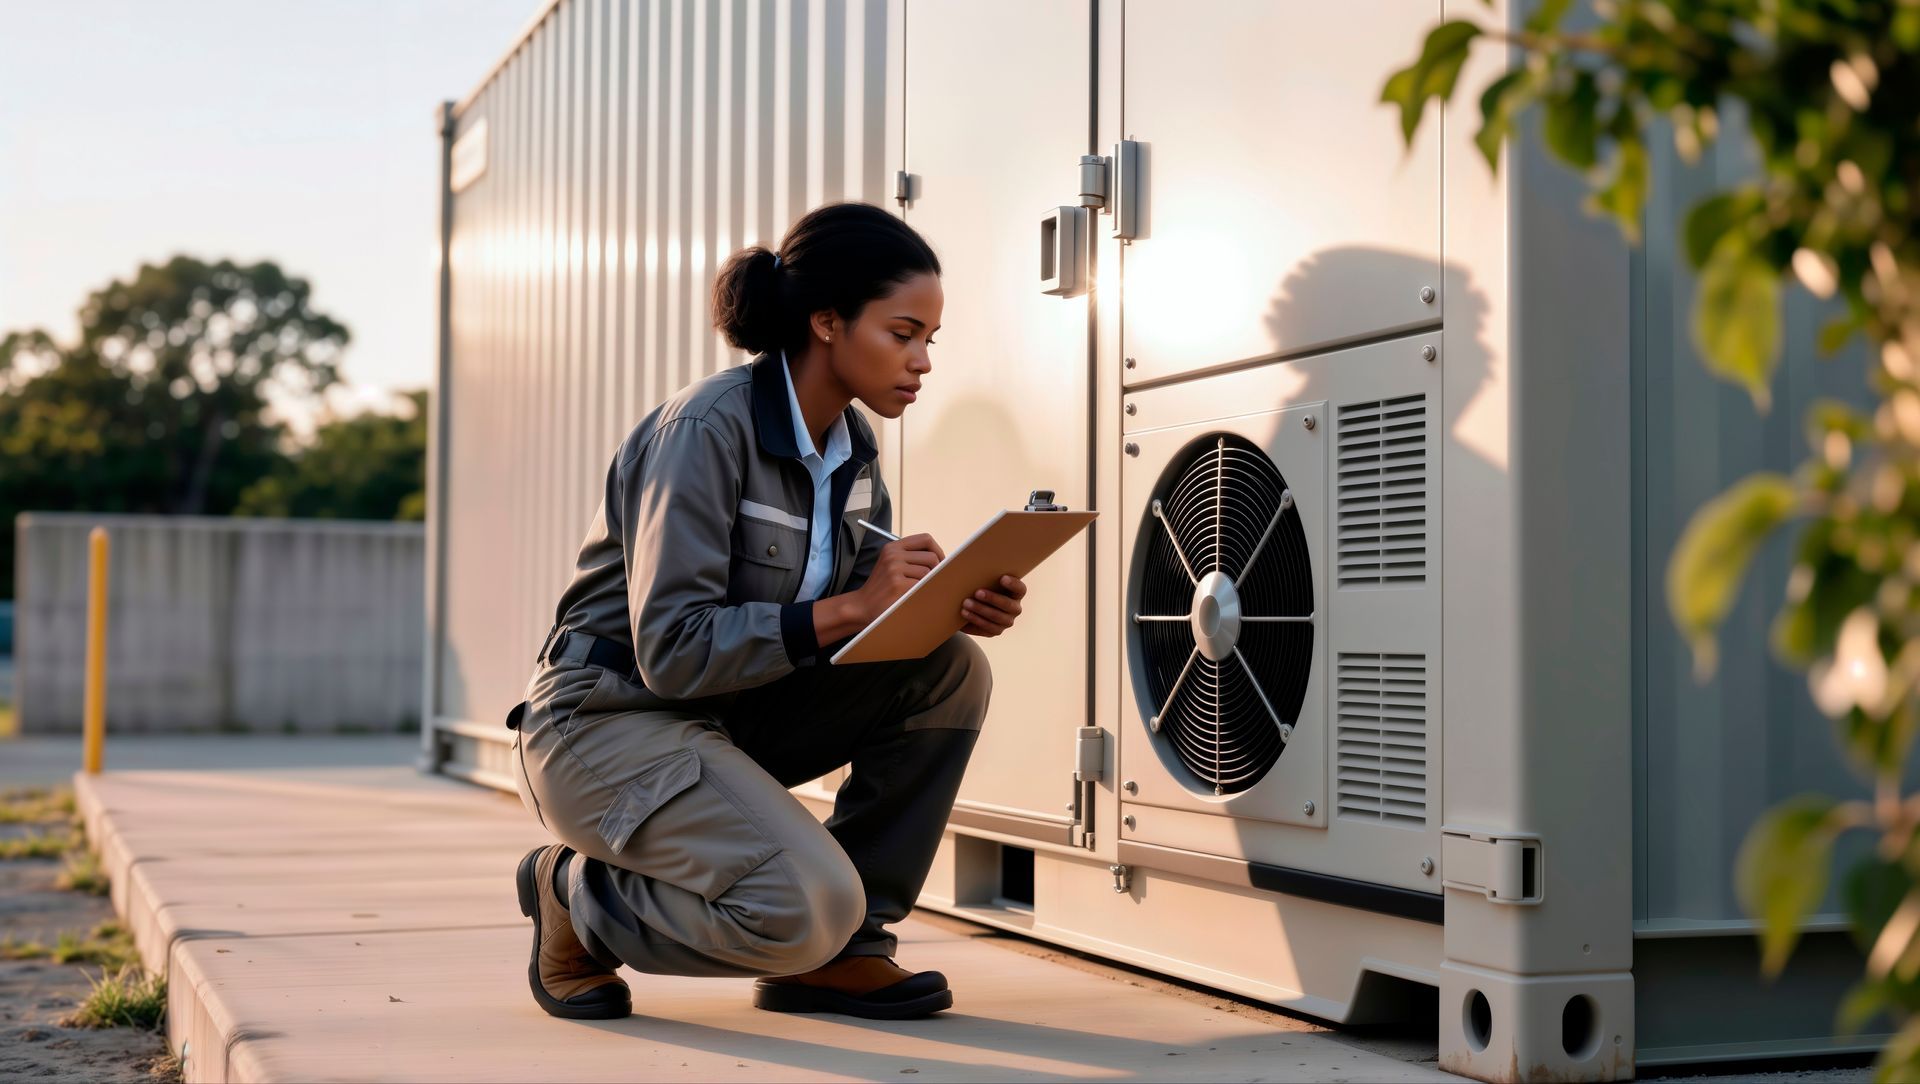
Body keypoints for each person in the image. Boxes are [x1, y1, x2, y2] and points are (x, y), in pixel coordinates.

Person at [507, 201, 1028, 1022]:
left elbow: (857, 623)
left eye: (931, 339)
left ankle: (845, 953)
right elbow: (672, 650)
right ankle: (577, 895)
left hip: (723, 717)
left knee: (948, 669)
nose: (923, 360)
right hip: (604, 724)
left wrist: (944, 604)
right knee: (796, 912)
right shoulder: (706, 430)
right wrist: (858, 602)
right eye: (903, 333)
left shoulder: (853, 451)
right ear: (826, 322)